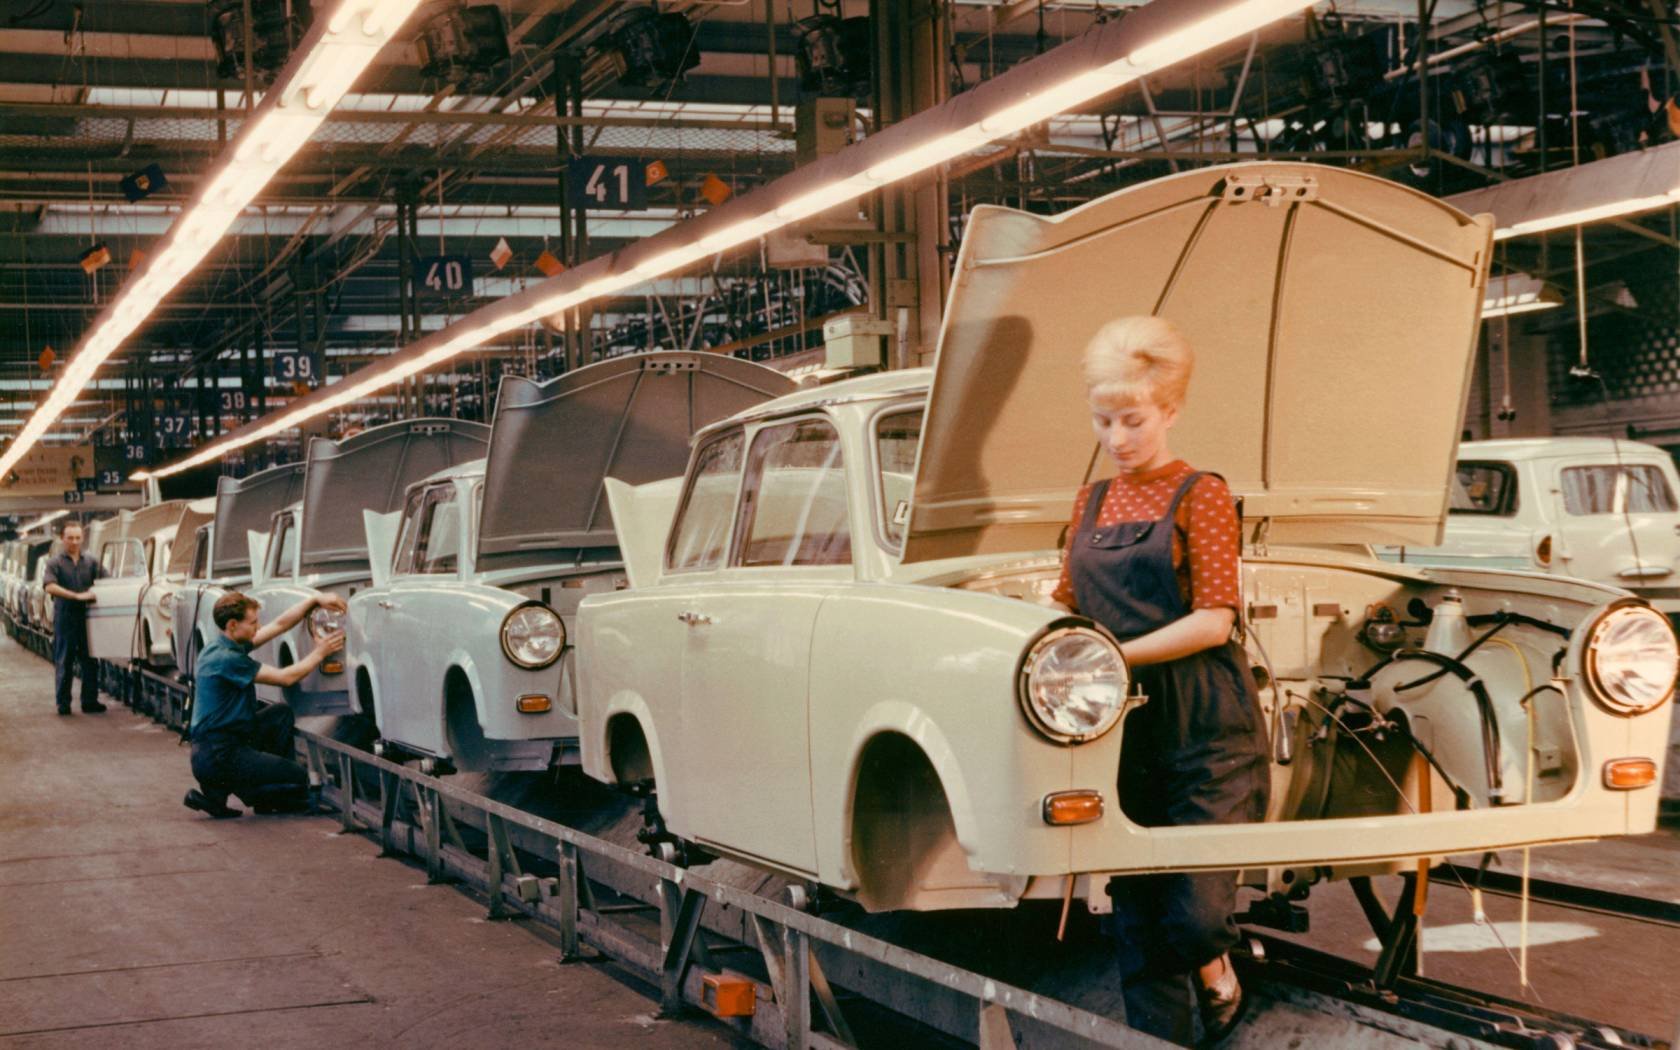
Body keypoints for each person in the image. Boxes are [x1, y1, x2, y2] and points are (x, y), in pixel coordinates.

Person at [1050, 316, 1270, 1047]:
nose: (1117, 438)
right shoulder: (1090, 503)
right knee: (1138, 918)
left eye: (1133, 420)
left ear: (1169, 412)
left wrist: (1112, 657)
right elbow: (1065, 606)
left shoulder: (1200, 493)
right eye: (1103, 421)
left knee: (1196, 913)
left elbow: (1214, 621)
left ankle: (1218, 972)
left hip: (1206, 722)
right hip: (1121, 727)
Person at [183, 590, 346, 819]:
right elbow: (286, 677)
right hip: (220, 754)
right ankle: (261, 792)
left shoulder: (221, 646)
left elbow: (279, 625)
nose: (258, 627)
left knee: (280, 715)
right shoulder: (228, 659)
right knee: (297, 775)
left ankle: (242, 792)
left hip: (217, 745)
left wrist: (314, 600)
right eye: (253, 623)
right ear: (232, 625)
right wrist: (321, 652)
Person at [41, 521, 106, 716]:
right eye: (70, 538)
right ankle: (63, 703)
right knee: (64, 660)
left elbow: (106, 582)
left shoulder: (92, 562)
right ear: (62, 538)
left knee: (91, 660)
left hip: (88, 618)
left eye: (78, 538)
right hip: (66, 617)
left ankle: (89, 701)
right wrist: (76, 596)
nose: (74, 542)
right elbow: (49, 586)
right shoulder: (54, 563)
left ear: (83, 538)